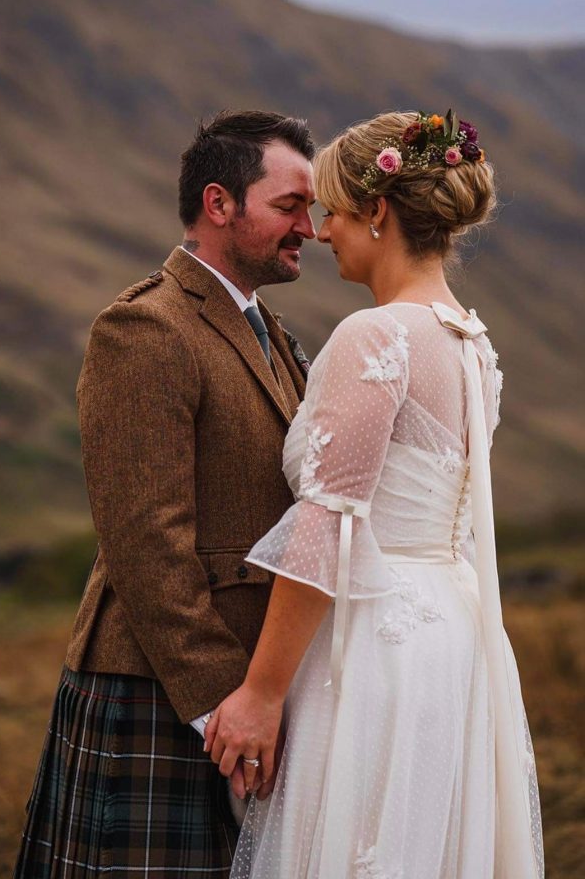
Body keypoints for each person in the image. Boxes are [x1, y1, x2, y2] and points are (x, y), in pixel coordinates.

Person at [205, 110, 544, 879]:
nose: (321, 232)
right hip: (454, 643)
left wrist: (261, 693)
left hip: (374, 649)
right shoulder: (469, 340)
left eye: (332, 211)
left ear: (379, 213)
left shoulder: (378, 337)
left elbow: (331, 523)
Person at [13, 109, 317, 878]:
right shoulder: (146, 329)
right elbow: (146, 543)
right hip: (161, 688)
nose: (308, 228)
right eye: (290, 207)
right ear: (220, 205)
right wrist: (225, 706)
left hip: (239, 694)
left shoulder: (268, 330)